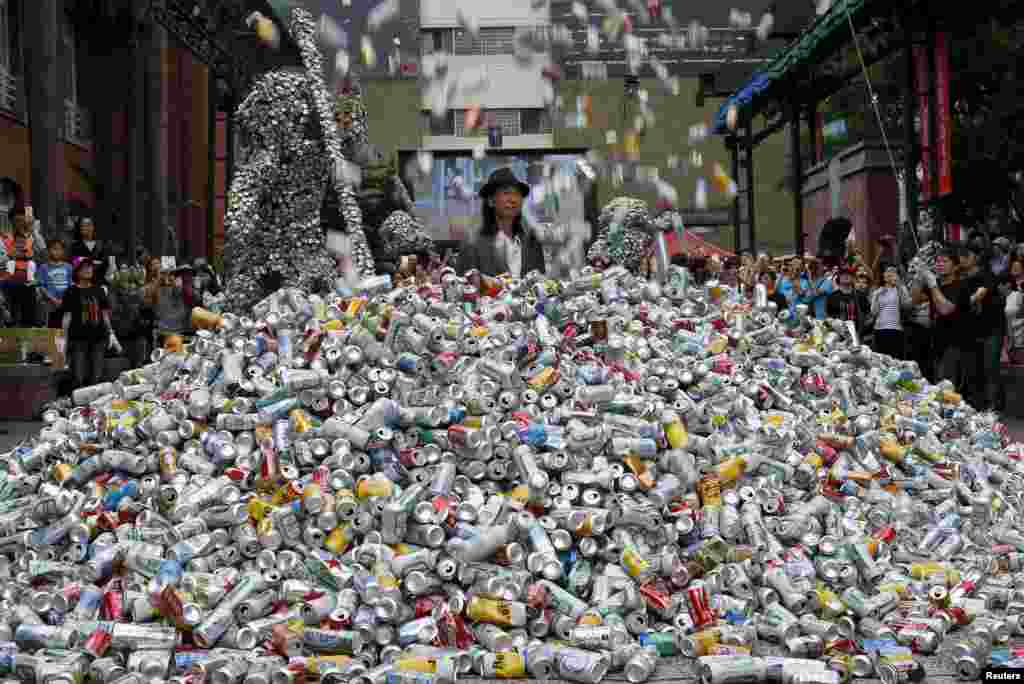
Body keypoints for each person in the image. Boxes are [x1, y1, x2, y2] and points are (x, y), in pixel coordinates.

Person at [456, 167, 545, 279]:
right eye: (506, 193)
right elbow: (464, 289)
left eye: (517, 194)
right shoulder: (472, 244)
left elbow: (542, 285)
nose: (513, 199)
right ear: (491, 201)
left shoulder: (532, 241)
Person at [916, 246, 972, 389]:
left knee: (948, 388)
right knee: (938, 387)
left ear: (955, 266)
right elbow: (914, 300)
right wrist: (919, 276)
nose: (939, 264)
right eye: (938, 261)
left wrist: (932, 283)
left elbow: (945, 309)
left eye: (944, 261)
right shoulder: (936, 285)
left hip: (955, 344)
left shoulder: (961, 285)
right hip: (936, 343)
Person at [61, 257, 120, 389]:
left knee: (97, 376)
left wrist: (111, 333)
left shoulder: (99, 290)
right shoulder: (70, 291)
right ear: (77, 271)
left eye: (90, 267)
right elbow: (67, 316)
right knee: (78, 376)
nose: (88, 270)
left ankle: (94, 407)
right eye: (84, 267)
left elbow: (104, 314)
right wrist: (63, 339)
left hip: (99, 338)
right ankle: (78, 405)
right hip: (78, 338)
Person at [961, 243, 1004, 411]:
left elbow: (982, 293)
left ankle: (994, 406)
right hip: (975, 330)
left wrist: (967, 301)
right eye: (961, 255)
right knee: (977, 369)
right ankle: (981, 404)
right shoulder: (963, 278)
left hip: (992, 328)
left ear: (975, 258)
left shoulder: (987, 274)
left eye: (967, 255)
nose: (963, 258)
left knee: (990, 367)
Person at [1, 214, 39, 326]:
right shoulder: (5, 239)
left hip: (28, 283)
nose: (20, 223)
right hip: (9, 283)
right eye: (17, 220)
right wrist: (9, 256)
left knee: (28, 316)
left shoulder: (31, 238)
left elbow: (42, 255)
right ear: (11, 221)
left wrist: (33, 231)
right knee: (11, 315)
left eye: (23, 221)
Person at [869, 265, 912, 359]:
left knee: (895, 359)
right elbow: (873, 312)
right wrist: (876, 296)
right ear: (883, 275)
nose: (890, 274)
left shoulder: (901, 288)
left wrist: (899, 285)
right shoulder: (878, 290)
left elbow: (907, 305)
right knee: (881, 359)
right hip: (880, 329)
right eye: (887, 271)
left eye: (893, 272)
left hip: (895, 329)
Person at [826, 266, 870, 339]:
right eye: (842, 274)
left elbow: (868, 316)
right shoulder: (832, 297)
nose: (846, 276)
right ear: (839, 278)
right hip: (838, 336)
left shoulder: (860, 295)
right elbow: (829, 317)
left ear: (853, 278)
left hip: (857, 336)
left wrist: (862, 331)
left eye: (849, 274)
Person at [37, 239, 72, 328]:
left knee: (65, 327)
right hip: (50, 303)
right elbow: (41, 286)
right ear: (49, 251)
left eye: (60, 249)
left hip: (66, 302)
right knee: (52, 328)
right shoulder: (43, 267)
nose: (57, 252)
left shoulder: (68, 267)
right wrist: (53, 299)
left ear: (63, 251)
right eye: (54, 249)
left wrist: (64, 299)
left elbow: (71, 286)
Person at [70, 217, 110, 284]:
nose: (86, 227)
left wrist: (84, 260)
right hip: (81, 285)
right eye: (83, 225)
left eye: (88, 225)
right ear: (79, 228)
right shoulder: (75, 246)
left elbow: (105, 264)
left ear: (93, 227)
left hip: (99, 284)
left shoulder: (102, 245)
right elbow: (74, 264)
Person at [1005, 275, 1024, 365]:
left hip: (1019, 339)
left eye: (999, 284)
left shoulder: (1018, 295)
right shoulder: (999, 298)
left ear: (1008, 284)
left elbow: (1021, 314)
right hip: (1005, 340)